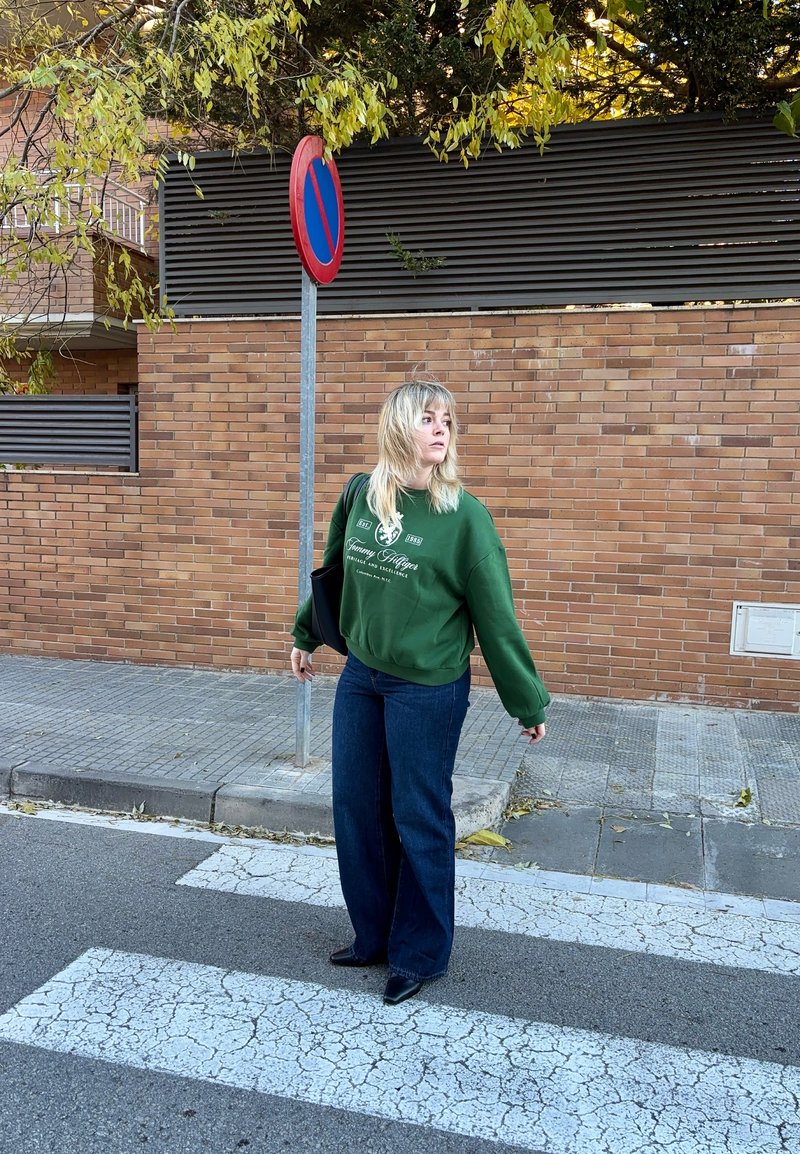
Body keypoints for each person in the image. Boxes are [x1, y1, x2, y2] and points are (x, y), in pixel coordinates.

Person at [290, 378, 549, 1006]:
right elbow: (335, 572)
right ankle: (373, 935)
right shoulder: (361, 493)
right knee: (356, 809)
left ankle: (421, 953)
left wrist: (526, 699)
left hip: (426, 688)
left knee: (417, 815)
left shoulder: (464, 516)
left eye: (448, 421)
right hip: (361, 678)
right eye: (428, 418)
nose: (441, 429)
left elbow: (496, 618)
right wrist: (307, 632)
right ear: (397, 427)